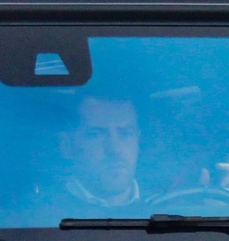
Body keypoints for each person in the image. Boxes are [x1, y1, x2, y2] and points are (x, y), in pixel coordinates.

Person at [10, 95, 144, 224]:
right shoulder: (31, 216)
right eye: (95, 135)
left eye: (126, 134)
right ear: (67, 146)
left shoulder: (163, 210)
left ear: (138, 141)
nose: (115, 149)